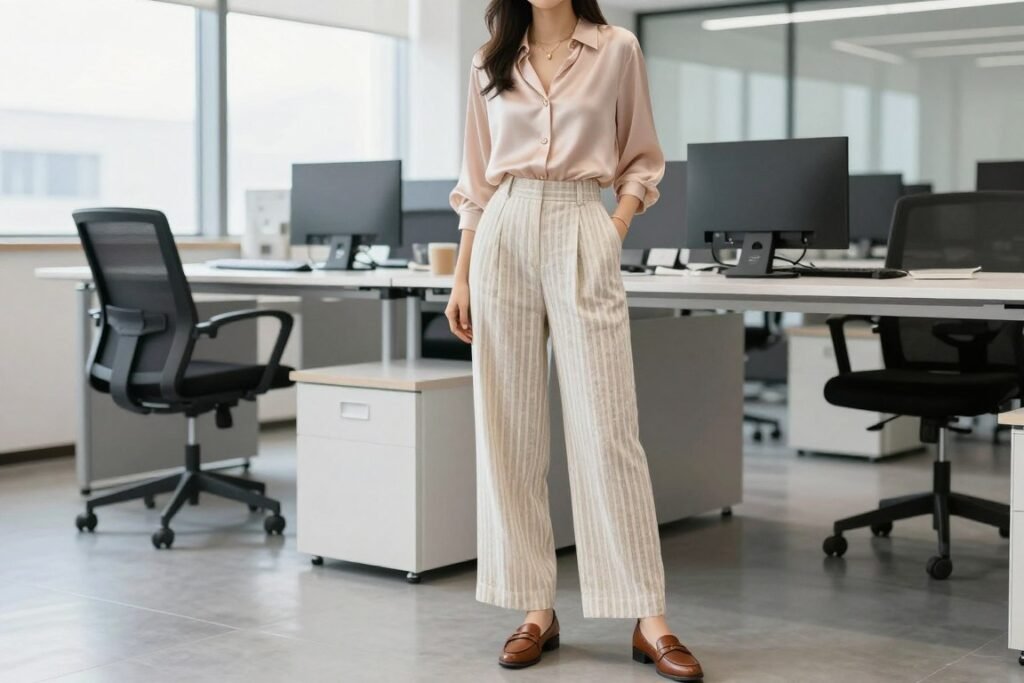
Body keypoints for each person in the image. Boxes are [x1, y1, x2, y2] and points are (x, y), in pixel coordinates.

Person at [446, 1, 704, 680]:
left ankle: (649, 617)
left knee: (608, 424)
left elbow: (643, 155)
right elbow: (475, 181)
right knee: (509, 428)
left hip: (579, 220)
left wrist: (613, 226)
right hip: (503, 226)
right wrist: (462, 274)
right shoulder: (488, 61)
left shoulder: (616, 49)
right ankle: (535, 607)